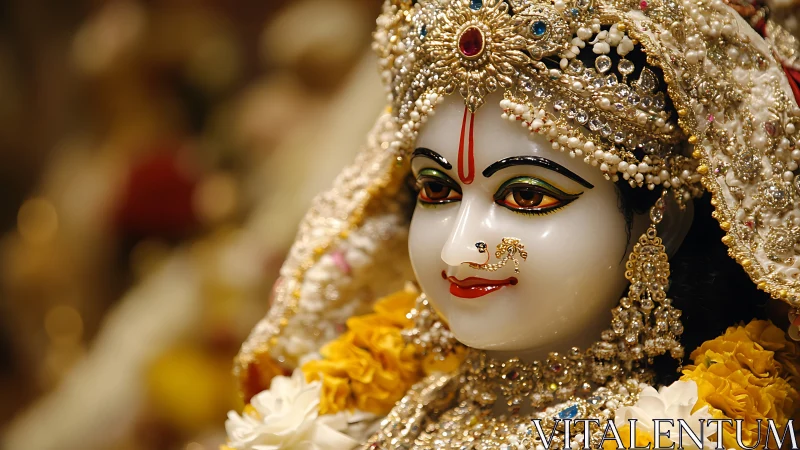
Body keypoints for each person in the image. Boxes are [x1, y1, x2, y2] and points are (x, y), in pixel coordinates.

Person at [223, 0, 800, 448]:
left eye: (525, 195)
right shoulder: (344, 419)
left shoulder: (692, 428)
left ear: (662, 217)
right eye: (438, 189)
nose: (459, 248)